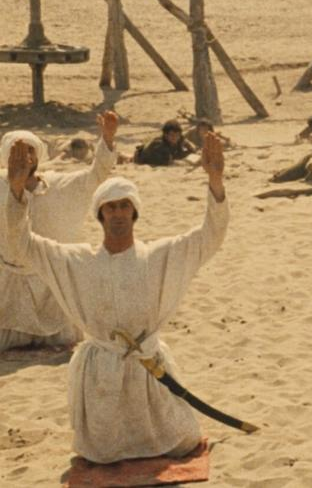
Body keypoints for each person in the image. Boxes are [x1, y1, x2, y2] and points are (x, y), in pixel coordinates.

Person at [5, 131, 229, 464]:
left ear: (134, 213)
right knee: (101, 454)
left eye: (125, 206)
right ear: (100, 215)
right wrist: (16, 191)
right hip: (101, 374)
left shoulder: (158, 256)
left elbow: (210, 235)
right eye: (110, 208)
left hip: (150, 369)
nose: (118, 213)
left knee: (183, 442)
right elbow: (23, 243)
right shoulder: (79, 261)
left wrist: (215, 181)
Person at [0, 114, 119, 352]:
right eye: (18, 153)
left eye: (30, 151)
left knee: (62, 340)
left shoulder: (56, 185)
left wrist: (107, 139)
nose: (26, 158)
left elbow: (96, 175)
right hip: (9, 274)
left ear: (38, 155)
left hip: (48, 275)